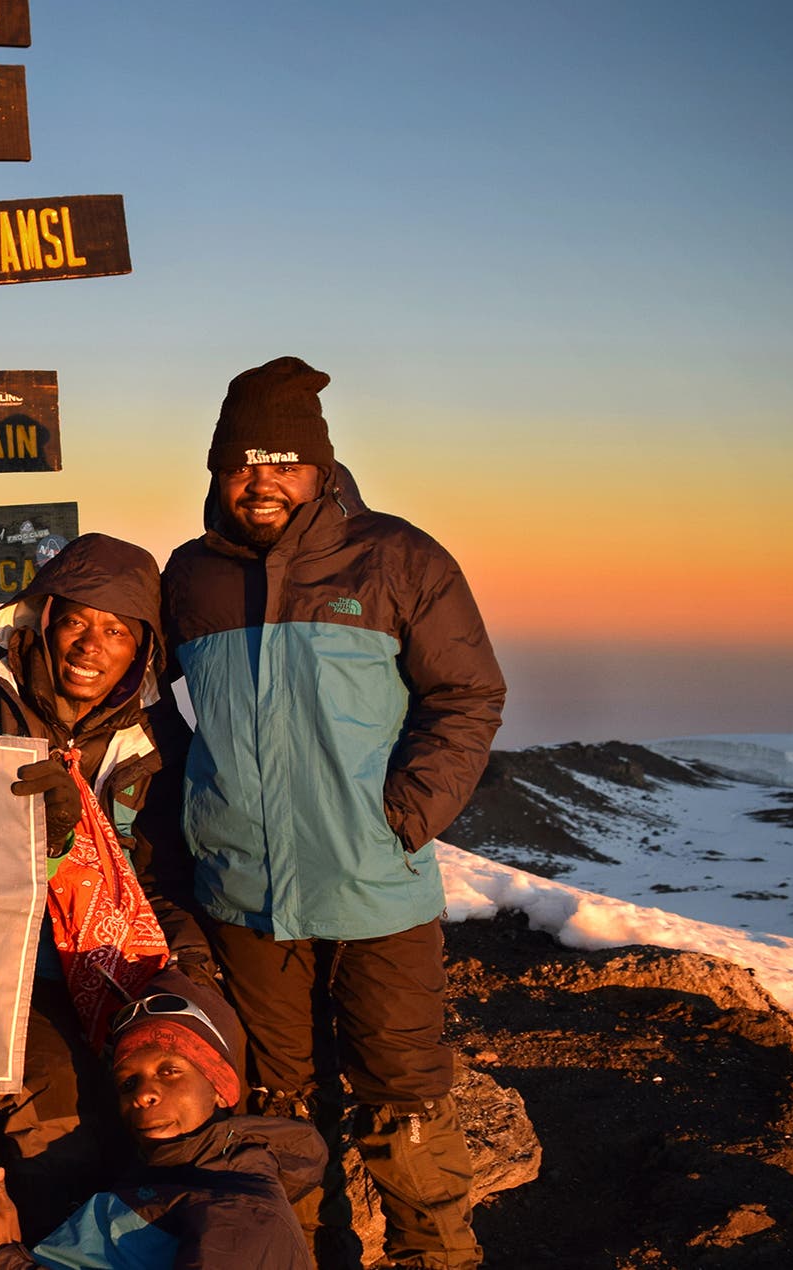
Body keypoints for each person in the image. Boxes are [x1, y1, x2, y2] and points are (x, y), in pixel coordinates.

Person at [162, 358, 505, 1268]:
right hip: (242, 892)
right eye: (242, 462)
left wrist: (403, 814)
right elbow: (131, 693)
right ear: (216, 470)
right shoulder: (190, 577)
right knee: (276, 1096)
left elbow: (467, 696)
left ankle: (438, 1257)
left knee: (405, 1091)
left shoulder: (396, 558)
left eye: (282, 461)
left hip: (375, 888)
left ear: (320, 467)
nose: (261, 480)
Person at [0, 533, 211, 1237]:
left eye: (117, 632)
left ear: (143, 651)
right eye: (76, 622)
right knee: (58, 1114)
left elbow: (162, 873)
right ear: (42, 622)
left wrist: (188, 964)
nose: (90, 646)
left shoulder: (154, 737)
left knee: (180, 1085)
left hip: (108, 956)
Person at [0, 970, 324, 1270]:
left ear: (221, 1089)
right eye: (127, 1082)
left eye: (170, 1070)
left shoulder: (243, 1219)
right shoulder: (171, 1179)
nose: (142, 1094)